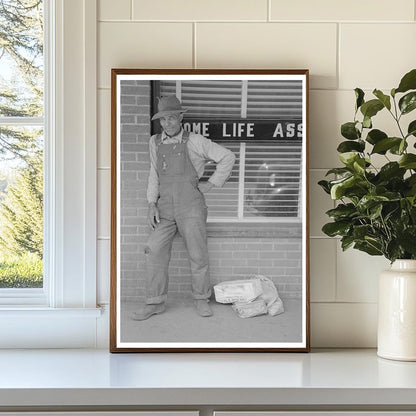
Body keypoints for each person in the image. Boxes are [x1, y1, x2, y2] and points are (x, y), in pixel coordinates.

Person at [133, 95, 235, 320]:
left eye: (171, 117)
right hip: (165, 208)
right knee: (154, 250)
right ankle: (155, 302)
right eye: (163, 119)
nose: (167, 123)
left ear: (180, 117)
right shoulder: (155, 142)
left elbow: (227, 157)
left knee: (198, 255)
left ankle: (201, 299)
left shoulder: (196, 140)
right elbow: (154, 174)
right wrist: (152, 204)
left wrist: (212, 184)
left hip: (191, 207)